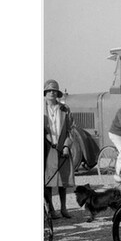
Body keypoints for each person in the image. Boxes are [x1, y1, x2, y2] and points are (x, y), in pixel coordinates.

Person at [43, 79, 75, 219]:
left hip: (62, 147)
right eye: (49, 90)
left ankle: (64, 207)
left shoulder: (64, 109)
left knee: (63, 178)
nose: (52, 93)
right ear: (45, 93)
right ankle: (51, 209)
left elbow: (71, 129)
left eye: (54, 91)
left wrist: (67, 145)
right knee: (49, 179)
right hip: (47, 147)